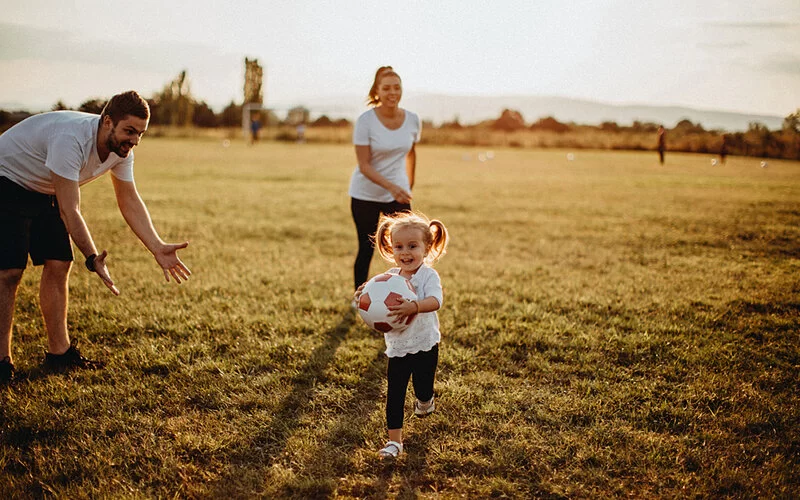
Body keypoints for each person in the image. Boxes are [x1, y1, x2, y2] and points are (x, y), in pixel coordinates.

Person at [0, 90, 191, 382]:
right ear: (107, 122)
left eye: (141, 134)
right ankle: (2, 361)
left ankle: (59, 354)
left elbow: (128, 200)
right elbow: (70, 210)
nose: (135, 140)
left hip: (44, 187)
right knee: (9, 272)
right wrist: (93, 257)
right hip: (7, 178)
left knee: (59, 263)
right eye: (129, 131)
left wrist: (157, 246)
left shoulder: (122, 151)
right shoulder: (70, 138)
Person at [355, 211, 449, 458]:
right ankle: (394, 441)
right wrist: (364, 298)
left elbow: (436, 301)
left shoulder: (428, 275)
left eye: (412, 246)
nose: (405, 253)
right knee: (395, 392)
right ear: (390, 248)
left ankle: (425, 402)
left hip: (426, 342)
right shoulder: (388, 278)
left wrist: (415, 306)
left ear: (427, 248)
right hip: (397, 346)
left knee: (423, 386)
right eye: (399, 246)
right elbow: (374, 297)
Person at [349, 66, 422, 291]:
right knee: (366, 247)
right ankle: (360, 297)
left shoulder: (412, 119)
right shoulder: (365, 121)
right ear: (377, 91)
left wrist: (409, 183)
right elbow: (364, 165)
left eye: (397, 87)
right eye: (387, 88)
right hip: (365, 193)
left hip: (398, 192)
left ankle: (408, 294)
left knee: (408, 247)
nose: (393, 92)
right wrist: (391, 186)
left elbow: (411, 152)